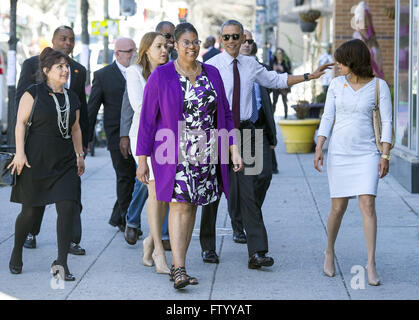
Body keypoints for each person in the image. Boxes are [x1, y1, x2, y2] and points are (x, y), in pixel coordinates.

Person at [206, 20, 333, 269]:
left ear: (243, 39)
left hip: (245, 131)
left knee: (253, 186)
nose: (231, 41)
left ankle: (257, 252)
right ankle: (208, 247)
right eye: (226, 37)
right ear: (221, 40)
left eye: (236, 36)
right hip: (217, 132)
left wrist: (311, 76)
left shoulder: (251, 65)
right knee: (212, 190)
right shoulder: (210, 66)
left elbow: (277, 80)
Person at [136, 23, 242, 289]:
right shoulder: (161, 76)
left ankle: (180, 265)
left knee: (192, 205)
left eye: (195, 42)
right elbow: (147, 121)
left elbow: (226, 114)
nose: (192, 46)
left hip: (206, 151)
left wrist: (234, 149)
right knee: (179, 204)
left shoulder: (212, 73)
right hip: (172, 151)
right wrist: (142, 159)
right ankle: (178, 268)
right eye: (186, 42)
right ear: (176, 45)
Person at [314, 39, 393, 286]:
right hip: (339, 153)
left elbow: (388, 123)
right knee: (337, 207)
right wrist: (319, 145)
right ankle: (329, 251)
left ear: (354, 61)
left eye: (341, 60)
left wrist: (385, 154)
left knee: (367, 204)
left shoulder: (379, 86)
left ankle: (371, 263)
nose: (337, 65)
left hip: (368, 153)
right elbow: (328, 116)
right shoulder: (337, 85)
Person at [8, 47, 85, 281]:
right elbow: (20, 124)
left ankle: (61, 263)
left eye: (66, 67)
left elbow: (75, 128)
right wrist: (19, 154)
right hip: (35, 160)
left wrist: (79, 154)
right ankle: (17, 250)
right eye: (59, 67)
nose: (65, 71)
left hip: (64, 162)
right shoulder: (33, 93)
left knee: (67, 208)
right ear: (46, 70)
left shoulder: (72, 97)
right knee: (30, 213)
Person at [125, 32, 170, 271]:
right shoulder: (134, 73)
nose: (164, 50)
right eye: (158, 46)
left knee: (164, 194)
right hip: (143, 137)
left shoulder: (170, 72)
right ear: (146, 50)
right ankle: (159, 254)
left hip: (168, 138)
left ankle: (150, 241)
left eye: (166, 46)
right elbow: (140, 106)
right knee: (154, 191)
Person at [88, 37, 137, 232]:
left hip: (139, 132)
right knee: (125, 176)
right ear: (117, 54)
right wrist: (86, 140)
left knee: (135, 178)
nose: (133, 54)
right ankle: (126, 220)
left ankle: (118, 216)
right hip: (117, 135)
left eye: (135, 50)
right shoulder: (103, 75)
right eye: (129, 51)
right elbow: (92, 109)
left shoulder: (141, 71)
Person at [271, 48, 292, 118]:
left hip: (283, 85)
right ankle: (271, 117)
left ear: (282, 54)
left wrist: (283, 70)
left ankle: (286, 116)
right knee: (274, 102)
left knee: (284, 101)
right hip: (276, 85)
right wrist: (274, 69)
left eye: (280, 53)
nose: (278, 55)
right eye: (277, 53)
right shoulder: (273, 62)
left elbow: (289, 73)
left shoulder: (285, 62)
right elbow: (270, 73)